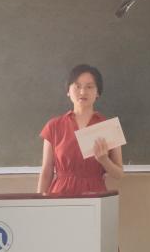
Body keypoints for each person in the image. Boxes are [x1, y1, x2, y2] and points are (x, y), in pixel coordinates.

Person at [38, 64, 124, 195]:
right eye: (77, 86)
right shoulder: (54, 126)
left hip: (95, 196)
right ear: (68, 91)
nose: (83, 92)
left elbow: (119, 174)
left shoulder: (109, 127)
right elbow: (46, 170)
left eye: (89, 87)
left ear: (98, 92)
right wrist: (38, 201)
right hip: (60, 195)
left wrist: (104, 160)